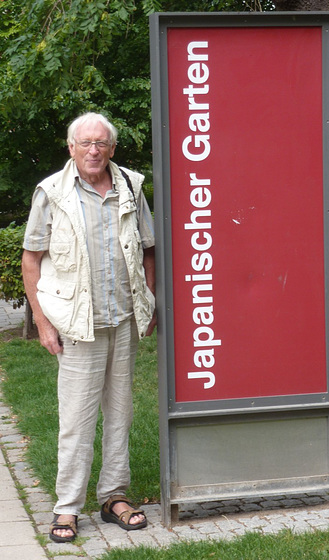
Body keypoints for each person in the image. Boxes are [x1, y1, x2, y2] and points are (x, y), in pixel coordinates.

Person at [22, 112, 156, 543]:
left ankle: (114, 496)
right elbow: (31, 259)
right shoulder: (52, 193)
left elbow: (148, 250)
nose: (94, 150)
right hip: (77, 326)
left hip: (122, 321)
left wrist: (148, 302)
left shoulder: (131, 187)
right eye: (86, 143)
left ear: (112, 149)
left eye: (102, 143)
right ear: (72, 148)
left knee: (120, 414)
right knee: (76, 422)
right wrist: (43, 323)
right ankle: (67, 509)